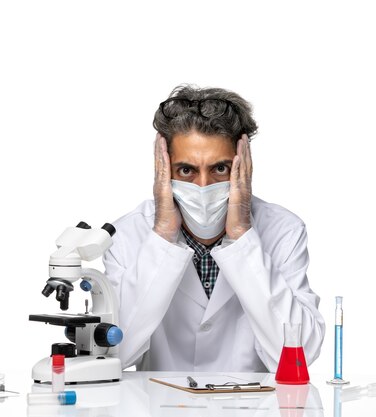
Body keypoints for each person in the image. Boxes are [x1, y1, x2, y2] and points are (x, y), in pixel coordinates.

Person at [103, 85, 325, 372]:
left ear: (242, 166)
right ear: (164, 168)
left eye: (220, 169)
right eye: (186, 170)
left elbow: (300, 356)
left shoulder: (284, 230)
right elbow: (113, 355)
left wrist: (243, 236)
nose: (203, 186)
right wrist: (162, 236)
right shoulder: (127, 235)